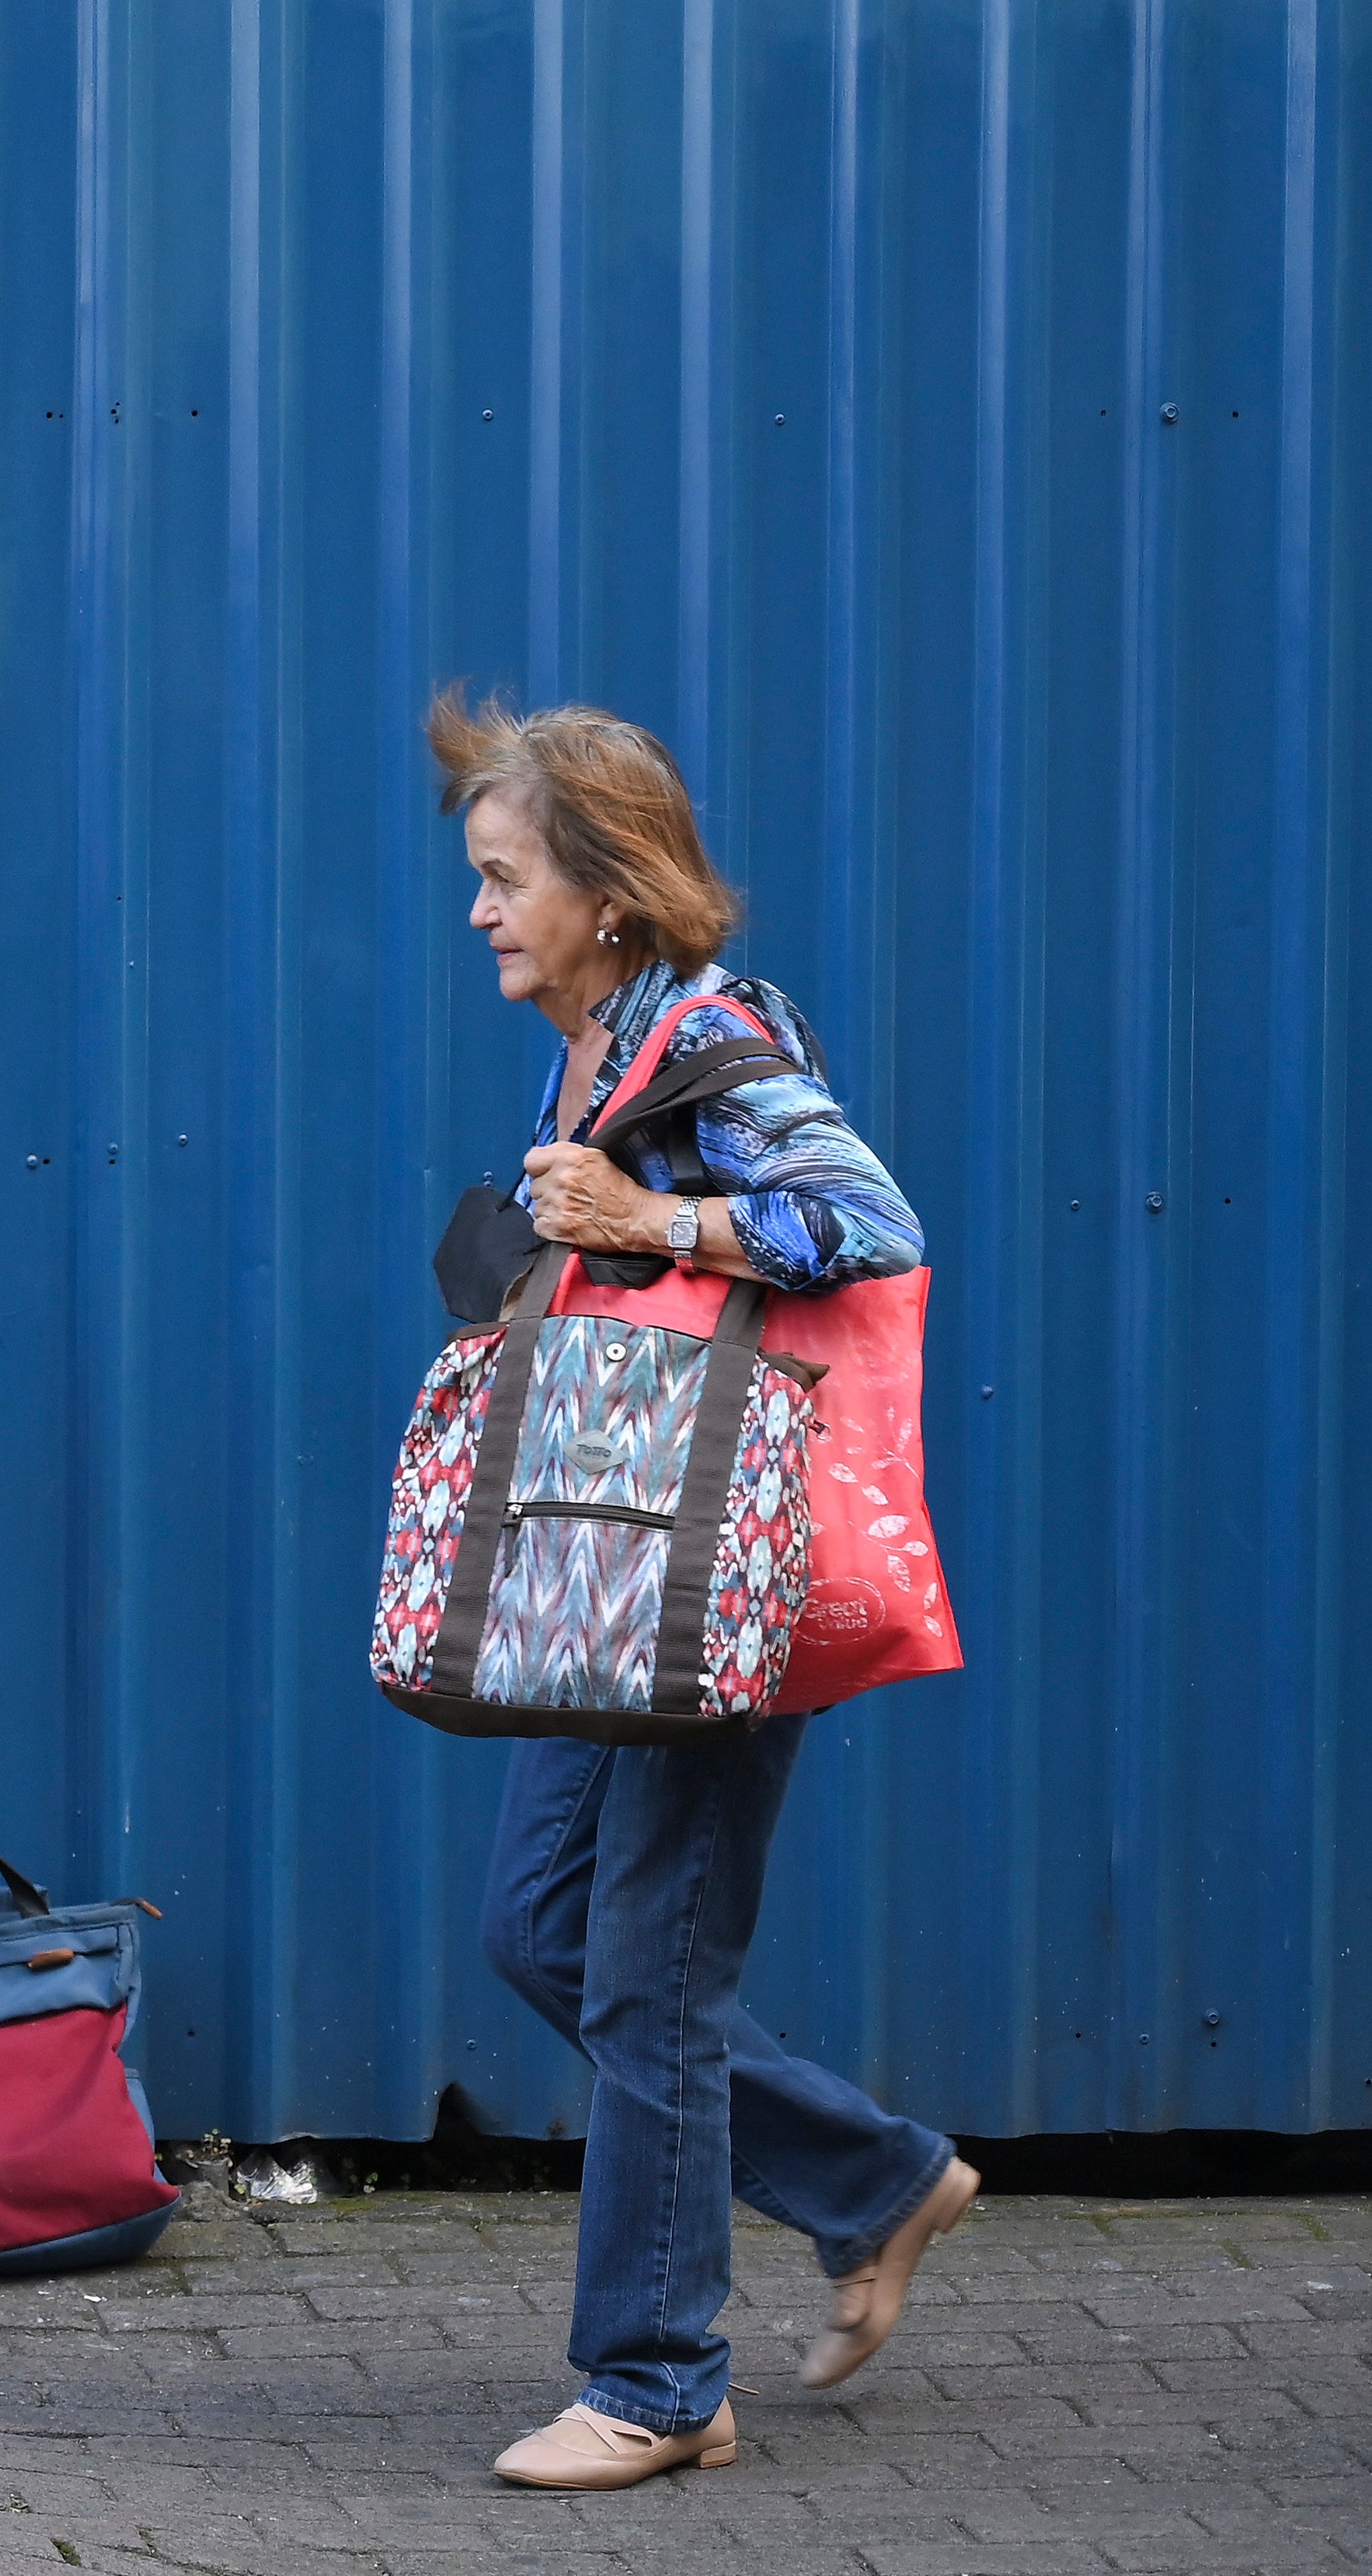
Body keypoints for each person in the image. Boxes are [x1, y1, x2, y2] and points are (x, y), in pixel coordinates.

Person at [430, 687, 978, 2490]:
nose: (487, 912)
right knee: (545, 1928)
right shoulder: (599, 1046)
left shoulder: (714, 1030)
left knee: (652, 1967)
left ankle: (663, 2382)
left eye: (510, 879)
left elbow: (873, 1214)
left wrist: (653, 1222)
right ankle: (872, 2175)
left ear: (608, 887)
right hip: (623, 1551)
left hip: (717, 1563)